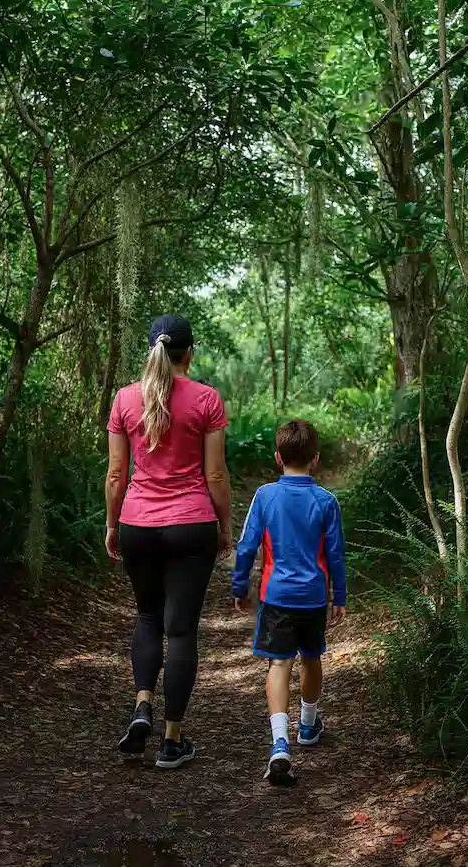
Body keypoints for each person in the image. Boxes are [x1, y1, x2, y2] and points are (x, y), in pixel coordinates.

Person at [105, 315, 232, 769]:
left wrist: (112, 524)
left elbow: (117, 474)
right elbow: (215, 474)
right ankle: (171, 740)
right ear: (189, 354)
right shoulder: (206, 399)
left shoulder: (124, 399)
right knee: (180, 631)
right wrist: (225, 525)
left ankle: (142, 706)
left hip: (138, 522)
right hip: (191, 523)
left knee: (147, 616)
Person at [231, 419, 347, 785]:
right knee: (311, 658)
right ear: (315, 459)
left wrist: (239, 587)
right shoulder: (326, 501)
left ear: (278, 458)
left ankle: (280, 742)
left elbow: (247, 546)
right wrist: (339, 596)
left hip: (276, 596)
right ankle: (308, 726)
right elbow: (337, 554)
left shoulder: (265, 496)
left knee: (279, 665)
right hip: (312, 598)